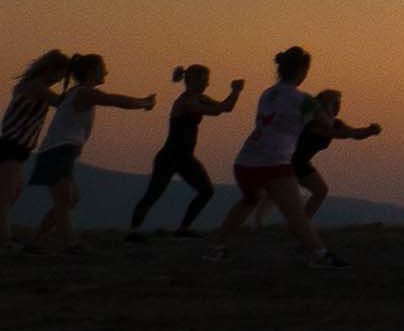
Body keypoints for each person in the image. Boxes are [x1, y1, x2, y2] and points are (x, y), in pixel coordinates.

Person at [211, 47, 342, 268]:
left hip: (246, 160)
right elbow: (327, 124)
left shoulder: (267, 93)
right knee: (295, 213)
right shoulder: (304, 99)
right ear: (301, 71)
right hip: (274, 162)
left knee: (249, 201)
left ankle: (217, 248)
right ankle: (320, 255)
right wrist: (327, 105)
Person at [25, 55, 154, 252]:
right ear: (92, 71)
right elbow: (115, 100)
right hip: (57, 152)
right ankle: (70, 243)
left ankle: (37, 242)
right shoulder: (84, 93)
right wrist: (144, 103)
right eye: (103, 68)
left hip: (59, 152)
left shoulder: (76, 92)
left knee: (69, 200)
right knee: (64, 201)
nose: (106, 72)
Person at [126, 64, 242, 240]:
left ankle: (183, 229)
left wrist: (236, 93)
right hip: (170, 156)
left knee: (206, 191)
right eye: (205, 80)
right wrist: (234, 91)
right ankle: (133, 231)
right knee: (153, 193)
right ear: (193, 81)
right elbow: (216, 111)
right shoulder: (185, 102)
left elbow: (226, 108)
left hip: (185, 157)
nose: (207, 84)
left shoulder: (199, 98)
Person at [0, 50, 74, 245]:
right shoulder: (36, 87)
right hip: (11, 147)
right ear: (50, 69)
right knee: (6, 196)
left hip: (16, 149)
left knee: (10, 194)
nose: (59, 79)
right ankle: (4, 240)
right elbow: (62, 103)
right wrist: (80, 90)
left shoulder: (31, 86)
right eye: (60, 74)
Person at [291, 90, 381, 218]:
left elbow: (354, 134)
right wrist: (367, 131)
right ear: (325, 106)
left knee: (320, 191)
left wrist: (369, 131)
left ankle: (301, 222)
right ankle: (299, 223)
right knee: (276, 194)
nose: (338, 106)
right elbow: (343, 134)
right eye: (335, 103)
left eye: (339, 103)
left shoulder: (336, 123)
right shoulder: (314, 124)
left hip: (300, 163)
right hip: (289, 162)